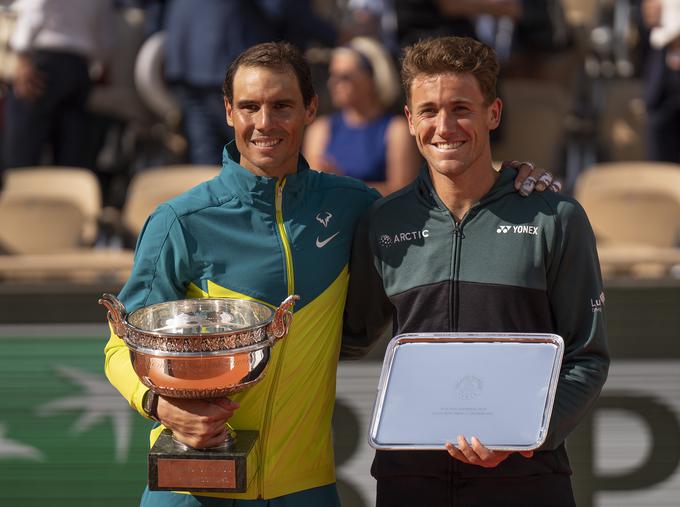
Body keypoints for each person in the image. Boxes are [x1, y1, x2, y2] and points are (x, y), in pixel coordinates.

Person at [104, 41, 556, 506]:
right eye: (249, 107)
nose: (264, 123)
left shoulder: (353, 206)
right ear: (228, 112)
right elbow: (121, 343)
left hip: (306, 491)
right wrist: (161, 405)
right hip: (192, 490)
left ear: (311, 109)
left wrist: (513, 183)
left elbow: (439, 201)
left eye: (282, 105)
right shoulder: (181, 220)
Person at [343, 36, 609, 507]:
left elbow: (587, 358)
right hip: (410, 482)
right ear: (408, 119)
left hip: (526, 479)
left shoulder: (555, 217)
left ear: (494, 113)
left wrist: (526, 435)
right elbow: (347, 336)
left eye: (461, 108)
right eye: (428, 111)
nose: (444, 126)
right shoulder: (384, 223)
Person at [2, 0, 115, 169]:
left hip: (43, 65)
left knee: (20, 157)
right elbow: (107, 36)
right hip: (80, 69)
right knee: (72, 159)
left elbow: (36, 8)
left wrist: (22, 58)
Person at [304, 36, 420, 195]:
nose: (332, 83)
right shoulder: (321, 128)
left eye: (344, 77)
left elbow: (402, 193)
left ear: (372, 78)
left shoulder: (396, 129)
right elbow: (312, 191)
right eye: (332, 75)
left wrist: (341, 183)